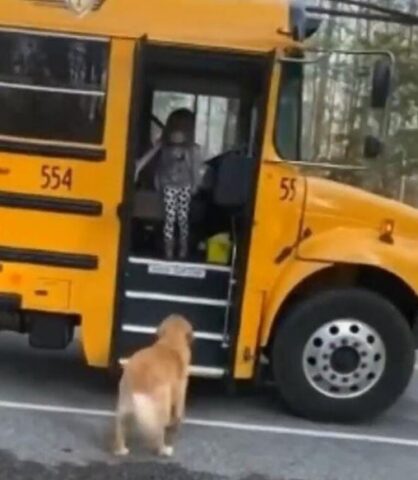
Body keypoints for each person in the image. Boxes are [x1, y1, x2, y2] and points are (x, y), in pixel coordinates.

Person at [134, 108, 204, 260]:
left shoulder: (191, 149)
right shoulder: (165, 146)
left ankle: (178, 250)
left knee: (178, 218)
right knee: (173, 218)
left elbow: (194, 168)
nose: (178, 133)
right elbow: (152, 161)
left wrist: (194, 184)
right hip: (170, 185)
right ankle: (172, 250)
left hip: (179, 186)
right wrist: (139, 169)